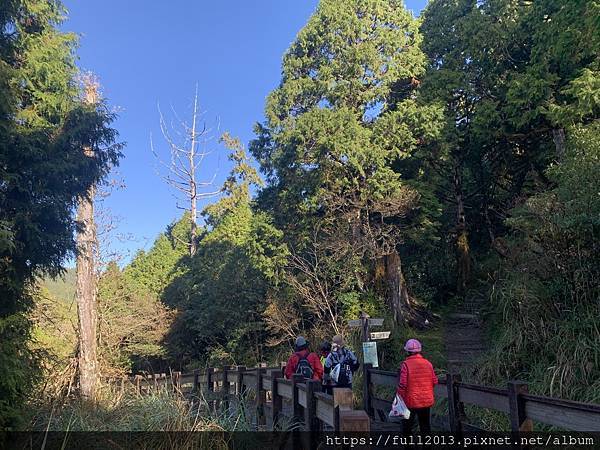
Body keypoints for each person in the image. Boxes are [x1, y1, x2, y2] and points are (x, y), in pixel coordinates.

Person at [396, 338, 438, 435]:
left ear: (407, 351)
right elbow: (434, 381)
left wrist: (399, 398)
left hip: (410, 401)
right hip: (426, 400)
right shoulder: (428, 363)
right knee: (425, 425)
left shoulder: (406, 365)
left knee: (407, 426)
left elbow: (403, 384)